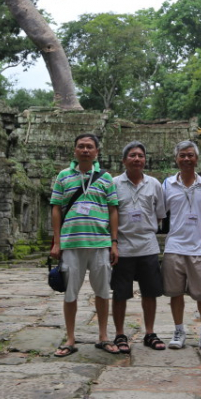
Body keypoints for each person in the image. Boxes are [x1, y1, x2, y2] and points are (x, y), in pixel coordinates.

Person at [49, 133, 120, 357]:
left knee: (102, 292)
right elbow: (56, 209)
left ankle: (103, 336)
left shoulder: (106, 178)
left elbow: (113, 210)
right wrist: (56, 241)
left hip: (100, 243)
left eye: (90, 147)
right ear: (75, 151)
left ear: (97, 152)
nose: (86, 150)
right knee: (70, 293)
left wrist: (114, 242)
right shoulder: (63, 176)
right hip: (71, 243)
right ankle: (70, 338)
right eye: (81, 146)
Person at [111, 141, 168, 352]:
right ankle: (119, 334)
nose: (137, 159)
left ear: (145, 160)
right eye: (132, 155)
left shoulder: (154, 184)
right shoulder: (114, 183)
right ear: (124, 160)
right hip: (123, 247)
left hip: (148, 246)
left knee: (150, 292)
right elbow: (111, 213)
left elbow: (160, 214)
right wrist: (114, 242)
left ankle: (150, 332)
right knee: (120, 293)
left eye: (141, 156)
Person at [161, 140, 201, 351]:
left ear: (197, 158)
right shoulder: (167, 184)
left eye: (190, 155)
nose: (186, 159)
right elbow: (158, 212)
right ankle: (178, 331)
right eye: (182, 155)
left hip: (200, 248)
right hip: (174, 247)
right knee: (175, 293)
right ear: (176, 159)